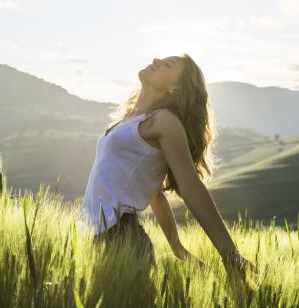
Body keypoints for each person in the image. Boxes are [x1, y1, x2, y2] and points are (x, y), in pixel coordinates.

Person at [79, 53, 259, 278]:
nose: (155, 60)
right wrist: (177, 247)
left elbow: (191, 187)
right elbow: (153, 192)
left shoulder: (163, 121)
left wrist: (230, 254)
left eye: (167, 65)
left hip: (120, 238)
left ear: (175, 89)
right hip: (94, 234)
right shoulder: (129, 119)